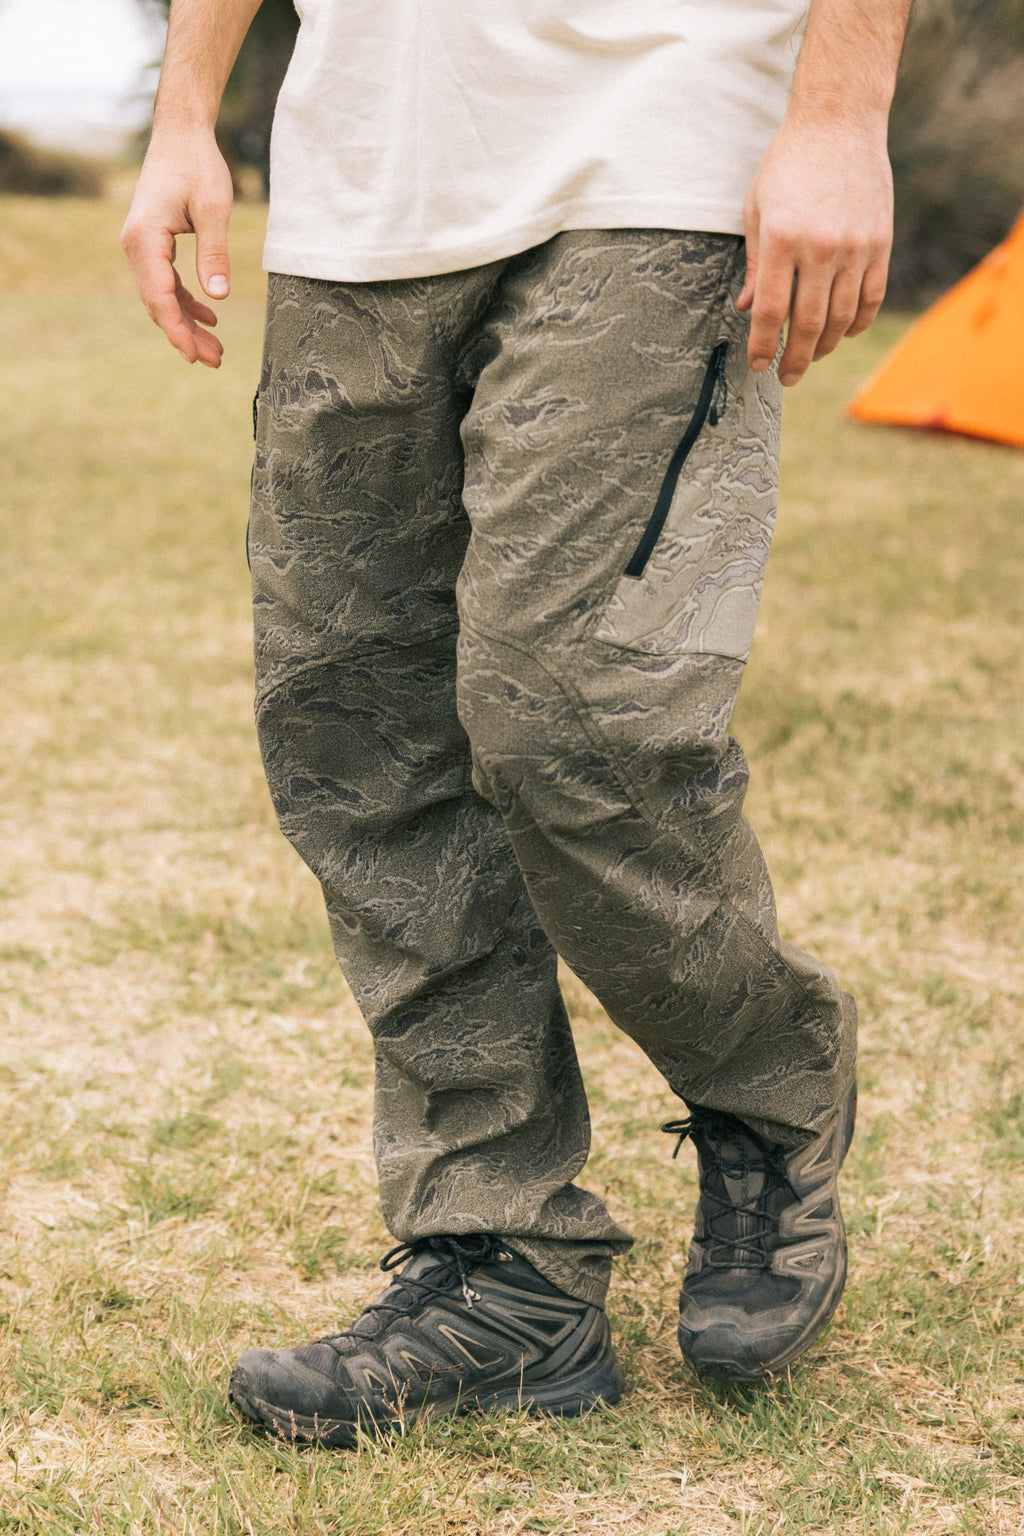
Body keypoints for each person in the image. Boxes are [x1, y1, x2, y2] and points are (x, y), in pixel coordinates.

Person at [123, 0, 911, 1447]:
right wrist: (186, 112)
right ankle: (506, 1263)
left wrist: (841, 115)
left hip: (659, 149)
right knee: (357, 731)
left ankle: (770, 1088)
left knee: (572, 710)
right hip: (360, 183)